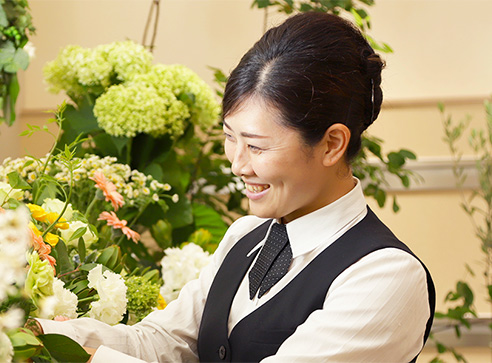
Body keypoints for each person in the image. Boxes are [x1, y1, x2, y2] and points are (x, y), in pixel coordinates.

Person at [31, 12, 435, 362]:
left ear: (332, 144)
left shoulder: (386, 276)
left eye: (256, 146)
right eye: (230, 137)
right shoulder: (245, 236)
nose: (237, 164)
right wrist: (34, 335)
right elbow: (164, 341)